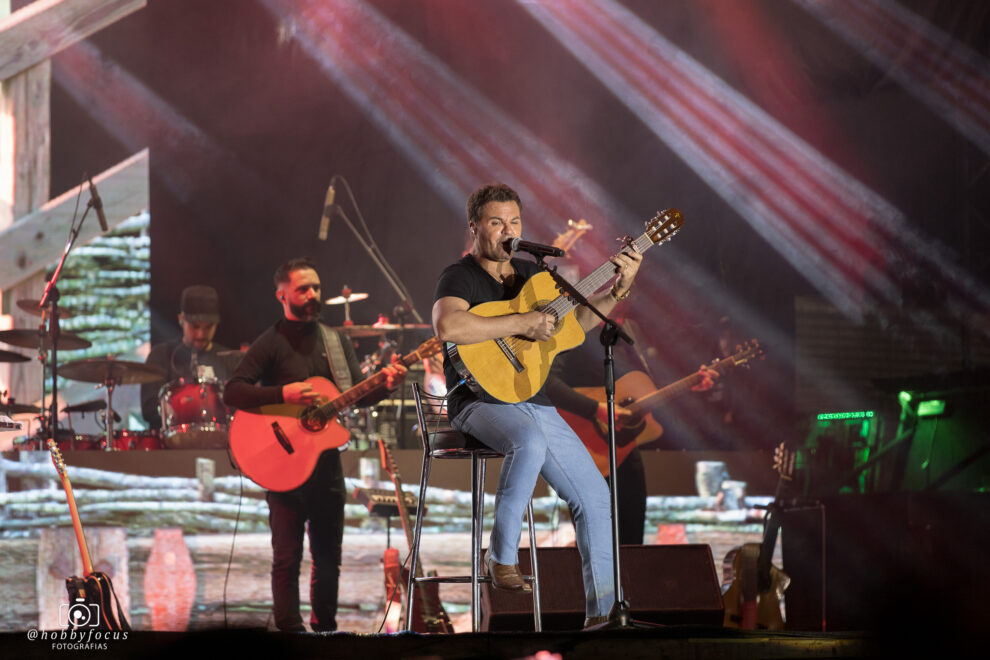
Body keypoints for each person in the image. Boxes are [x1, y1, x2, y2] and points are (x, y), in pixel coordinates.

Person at [432, 182, 642, 628]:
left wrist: (618, 290)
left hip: (532, 397)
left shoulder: (534, 273)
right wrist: (523, 320)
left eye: (514, 222)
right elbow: (449, 325)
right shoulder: (460, 275)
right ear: (475, 228)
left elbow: (577, 323)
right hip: (477, 400)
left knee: (596, 496)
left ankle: (603, 620)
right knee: (527, 440)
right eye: (496, 222)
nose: (507, 231)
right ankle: (500, 557)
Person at [223, 257, 406, 632]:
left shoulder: (335, 341)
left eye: (316, 288)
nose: (312, 295)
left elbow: (356, 396)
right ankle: (290, 635)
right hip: (283, 468)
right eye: (303, 289)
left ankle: (325, 634)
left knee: (328, 561)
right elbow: (233, 392)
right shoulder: (271, 341)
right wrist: (281, 393)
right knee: (286, 560)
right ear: (282, 295)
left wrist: (386, 386)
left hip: (326, 469)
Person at [141, 285, 237, 429]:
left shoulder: (230, 358)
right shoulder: (161, 355)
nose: (201, 334)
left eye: (208, 327)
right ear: (181, 319)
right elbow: (148, 409)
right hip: (172, 447)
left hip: (220, 447)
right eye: (195, 326)